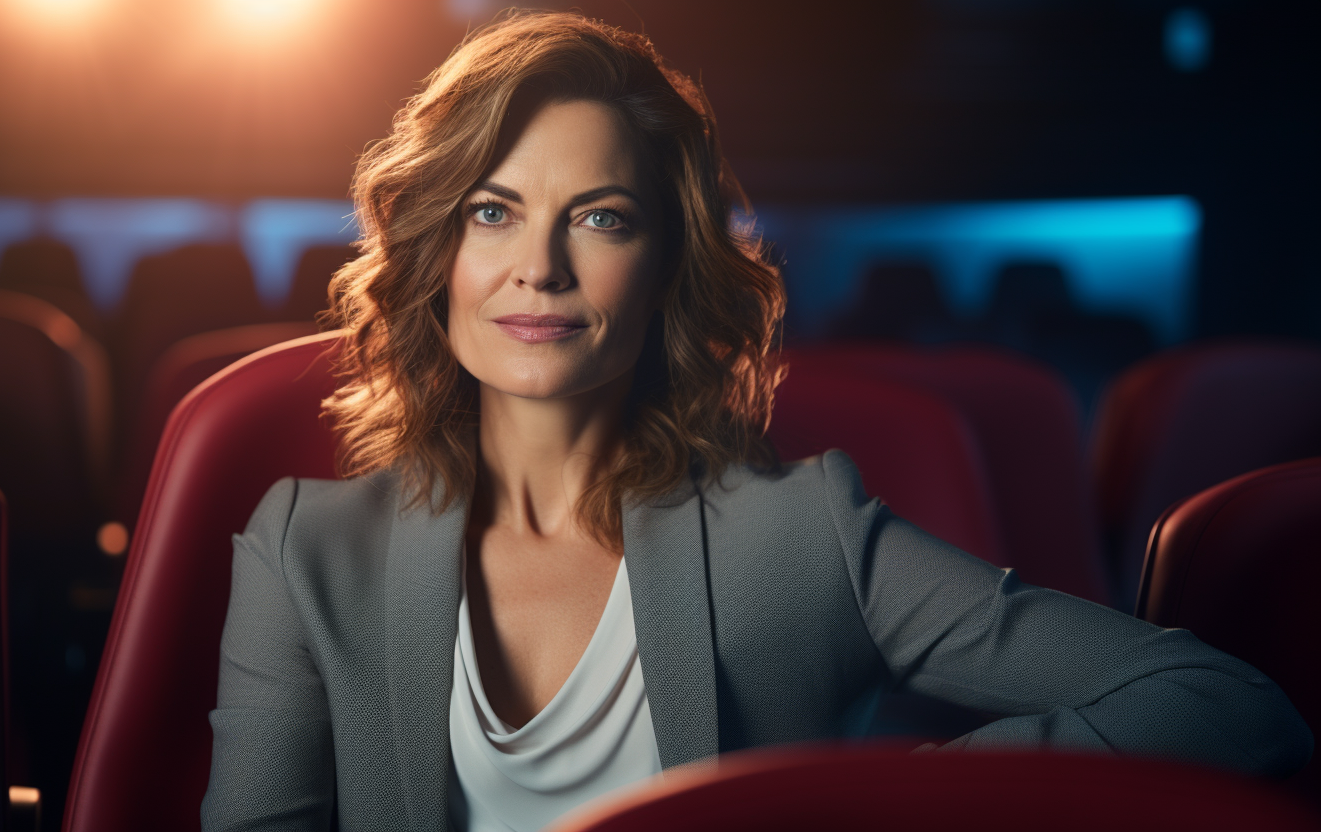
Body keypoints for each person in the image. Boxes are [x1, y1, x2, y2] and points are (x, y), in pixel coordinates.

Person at [201, 11, 1311, 831]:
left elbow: (1225, 706)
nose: (537, 268)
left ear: (668, 268)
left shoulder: (799, 534)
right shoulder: (305, 547)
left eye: (600, 216)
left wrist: (854, 801)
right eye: (494, 211)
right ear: (438, 252)